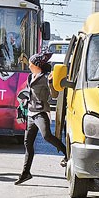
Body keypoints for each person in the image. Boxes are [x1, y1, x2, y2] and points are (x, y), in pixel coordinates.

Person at [15, 51, 68, 185]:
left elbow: (54, 95)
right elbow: (28, 92)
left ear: (36, 65)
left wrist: (51, 82)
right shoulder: (30, 77)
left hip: (41, 112)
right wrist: (22, 104)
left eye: (31, 63)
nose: (29, 65)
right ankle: (26, 173)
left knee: (46, 136)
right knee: (28, 143)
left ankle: (68, 154)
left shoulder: (45, 77)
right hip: (30, 114)